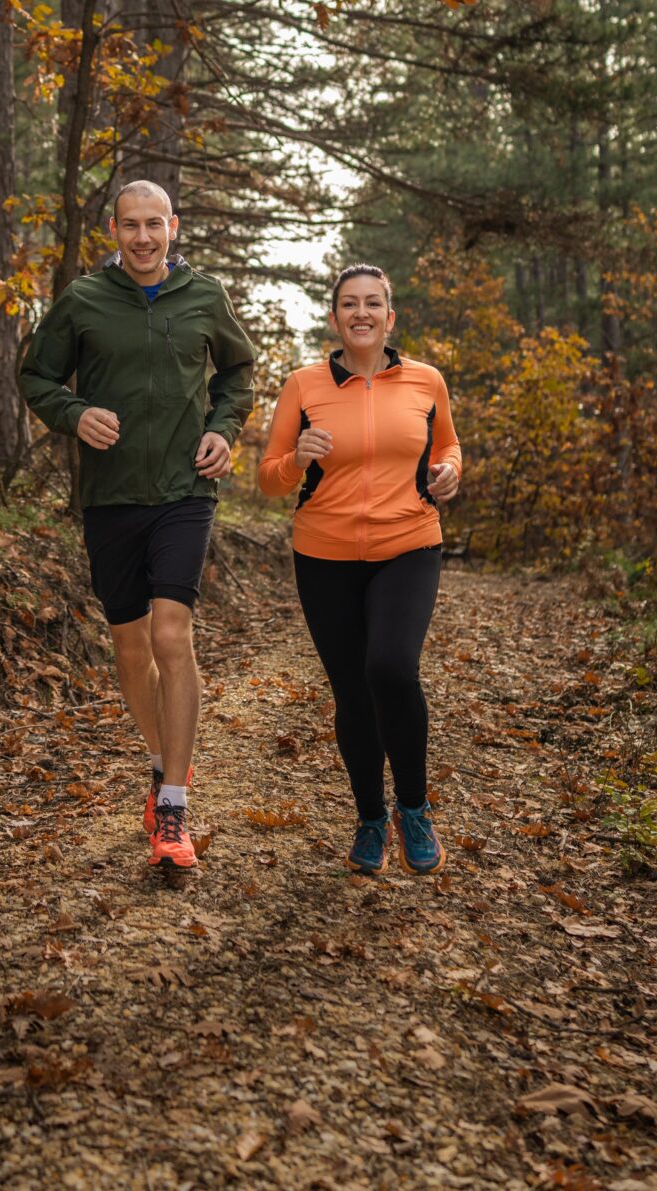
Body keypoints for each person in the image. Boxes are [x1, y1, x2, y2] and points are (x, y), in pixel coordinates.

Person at [19, 181, 255, 870]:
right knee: (129, 649)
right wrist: (74, 413)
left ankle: (175, 807)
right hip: (112, 494)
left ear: (174, 227)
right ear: (114, 231)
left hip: (187, 489)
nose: (144, 237)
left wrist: (224, 428)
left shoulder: (205, 297)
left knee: (170, 631)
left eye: (155, 224)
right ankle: (159, 764)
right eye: (131, 226)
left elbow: (237, 374)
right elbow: (36, 375)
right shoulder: (84, 300)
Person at [257, 264, 461, 876]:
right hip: (324, 554)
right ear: (335, 317)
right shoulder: (303, 385)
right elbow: (268, 478)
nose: (362, 313)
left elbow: (447, 445)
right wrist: (297, 457)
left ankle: (414, 808)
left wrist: (451, 472)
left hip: (410, 544)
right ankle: (371, 817)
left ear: (390, 317)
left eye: (374, 303)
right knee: (351, 689)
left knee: (391, 667)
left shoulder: (426, 381)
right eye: (350, 304)